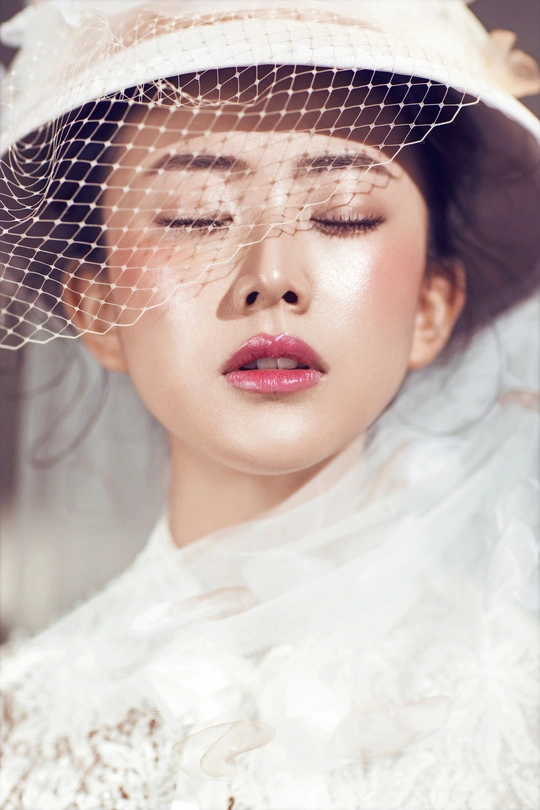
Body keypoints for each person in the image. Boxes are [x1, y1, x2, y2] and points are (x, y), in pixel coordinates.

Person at [0, 2, 539, 808]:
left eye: (344, 214)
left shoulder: (517, 706)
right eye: (194, 215)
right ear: (96, 308)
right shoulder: (20, 733)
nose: (272, 276)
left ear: (432, 305)